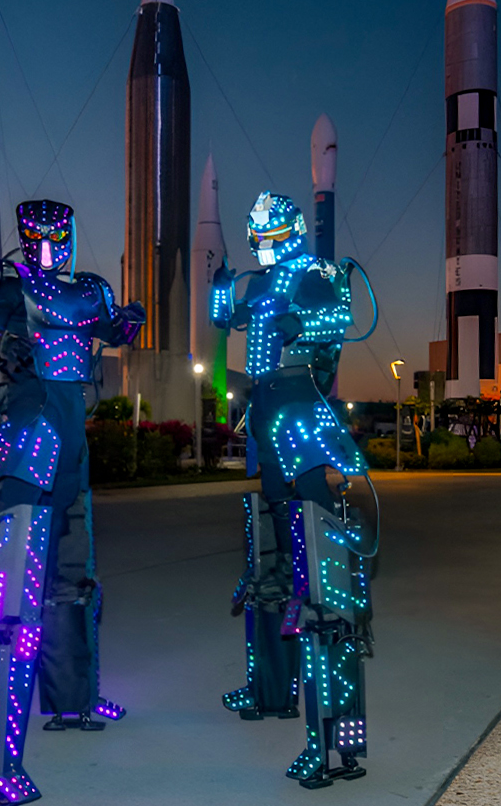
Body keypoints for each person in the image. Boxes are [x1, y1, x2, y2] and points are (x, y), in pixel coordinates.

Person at [0, 199, 145, 804]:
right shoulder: (6, 287)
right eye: (41, 237)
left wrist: (125, 316)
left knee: (71, 582)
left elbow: (121, 327)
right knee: (6, 609)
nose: (53, 245)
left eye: (60, 235)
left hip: (68, 449)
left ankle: (72, 701)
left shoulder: (86, 290)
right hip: (30, 446)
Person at [211, 191, 373, 789]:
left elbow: (340, 322)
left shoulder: (316, 273)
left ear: (293, 231)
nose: (267, 243)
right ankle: (271, 690)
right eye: (260, 234)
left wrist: (295, 320)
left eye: (273, 233)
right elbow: (223, 315)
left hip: (303, 414)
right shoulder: (258, 280)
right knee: (273, 565)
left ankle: (335, 742)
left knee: (324, 586)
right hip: (267, 418)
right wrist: (226, 289)